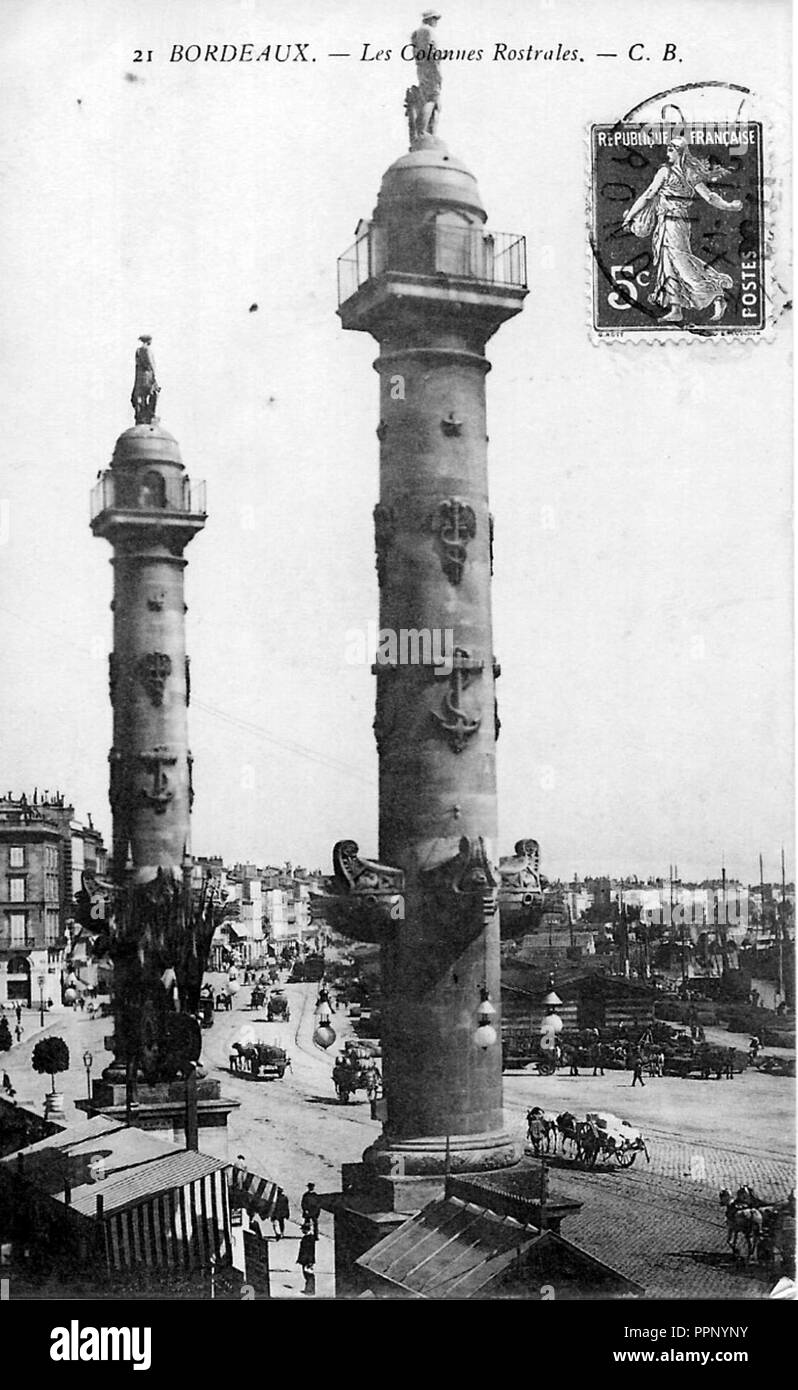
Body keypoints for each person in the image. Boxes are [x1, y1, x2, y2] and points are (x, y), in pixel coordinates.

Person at [621, 137, 743, 324]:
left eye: (671, 149)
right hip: (667, 222)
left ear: (680, 151)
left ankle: (716, 292)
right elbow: (708, 197)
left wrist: (630, 216)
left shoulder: (670, 172)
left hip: (674, 223)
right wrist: (729, 206)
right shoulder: (682, 171)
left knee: (681, 262)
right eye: (668, 149)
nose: (667, 152)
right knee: (668, 263)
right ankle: (676, 308)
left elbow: (649, 195)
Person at [410, 10, 442, 139]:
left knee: (429, 99)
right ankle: (422, 131)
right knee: (432, 98)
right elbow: (430, 51)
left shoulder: (416, 33)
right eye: (435, 19)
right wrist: (437, 70)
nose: (436, 22)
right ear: (430, 19)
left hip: (421, 68)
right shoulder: (427, 31)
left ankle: (426, 132)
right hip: (430, 67)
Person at [297, 1221, 317, 1296]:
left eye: (303, 1229)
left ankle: (310, 1290)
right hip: (305, 1260)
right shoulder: (308, 1237)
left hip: (307, 1260)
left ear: (306, 1230)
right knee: (307, 1275)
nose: (302, 1231)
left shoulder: (309, 1238)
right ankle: (308, 1289)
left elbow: (310, 1251)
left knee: (309, 1275)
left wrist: (310, 1261)